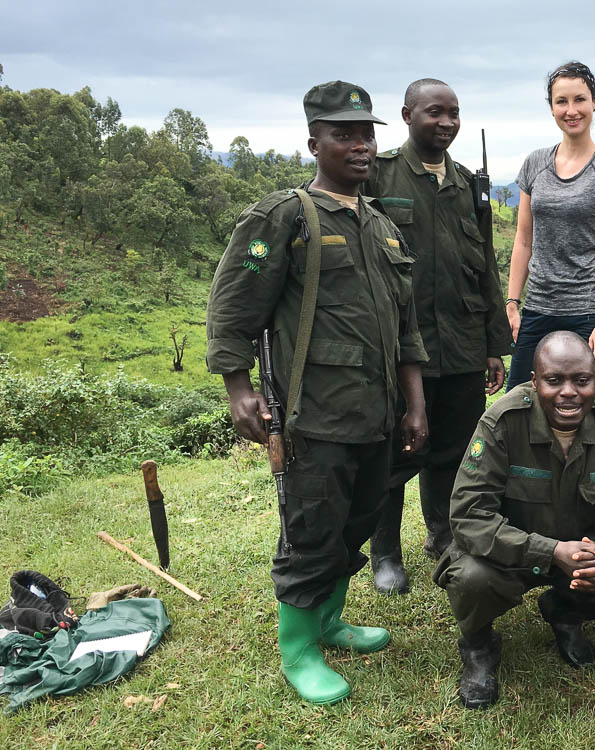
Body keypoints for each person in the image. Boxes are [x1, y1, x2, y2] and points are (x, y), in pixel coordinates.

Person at [205, 81, 429, 704]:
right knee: (310, 528)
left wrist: (414, 404)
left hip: (378, 413)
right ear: (315, 142)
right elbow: (235, 303)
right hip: (313, 413)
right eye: (343, 134)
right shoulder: (284, 217)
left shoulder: (382, 225)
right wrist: (237, 387)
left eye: (366, 134)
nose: (359, 146)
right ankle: (299, 646)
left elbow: (406, 327)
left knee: (355, 523)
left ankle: (329, 619)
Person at [435, 331, 595, 709]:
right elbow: (468, 514)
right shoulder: (503, 422)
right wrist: (549, 551)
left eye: (582, 381)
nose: (569, 392)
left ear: (594, 380)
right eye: (553, 381)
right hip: (515, 552)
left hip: (586, 548)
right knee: (470, 576)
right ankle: (478, 645)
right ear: (534, 381)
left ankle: (565, 611)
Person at [363, 79, 509, 595]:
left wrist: (494, 344)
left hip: (464, 342)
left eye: (454, 114)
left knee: (453, 449)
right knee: (396, 451)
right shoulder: (378, 176)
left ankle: (443, 535)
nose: (446, 122)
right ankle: (384, 552)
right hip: (403, 348)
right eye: (434, 113)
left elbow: (485, 267)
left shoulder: (469, 184)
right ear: (407, 115)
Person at [506, 61, 595, 390]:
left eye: (579, 99)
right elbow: (523, 241)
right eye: (562, 101)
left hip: (589, 312)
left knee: (591, 409)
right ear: (551, 108)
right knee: (521, 402)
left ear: (594, 102)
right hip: (537, 307)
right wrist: (512, 303)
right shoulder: (535, 163)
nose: (571, 109)